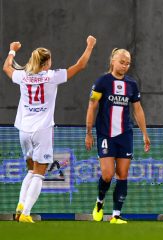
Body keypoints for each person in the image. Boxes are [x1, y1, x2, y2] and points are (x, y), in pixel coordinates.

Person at [3, 35, 97, 223]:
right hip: (42, 129)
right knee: (40, 172)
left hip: (23, 130)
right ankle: (27, 214)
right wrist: (90, 46)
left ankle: (20, 207)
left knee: (30, 170)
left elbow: (6, 67)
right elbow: (80, 66)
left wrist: (12, 49)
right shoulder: (51, 76)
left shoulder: (23, 76)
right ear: (46, 63)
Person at [85, 48, 151, 224]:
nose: (125, 65)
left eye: (128, 63)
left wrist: (145, 133)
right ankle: (99, 202)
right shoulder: (102, 82)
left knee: (122, 174)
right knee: (107, 175)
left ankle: (115, 215)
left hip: (125, 135)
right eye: (122, 61)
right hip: (105, 134)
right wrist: (88, 132)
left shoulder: (132, 85)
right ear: (113, 60)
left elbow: (137, 109)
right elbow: (92, 106)